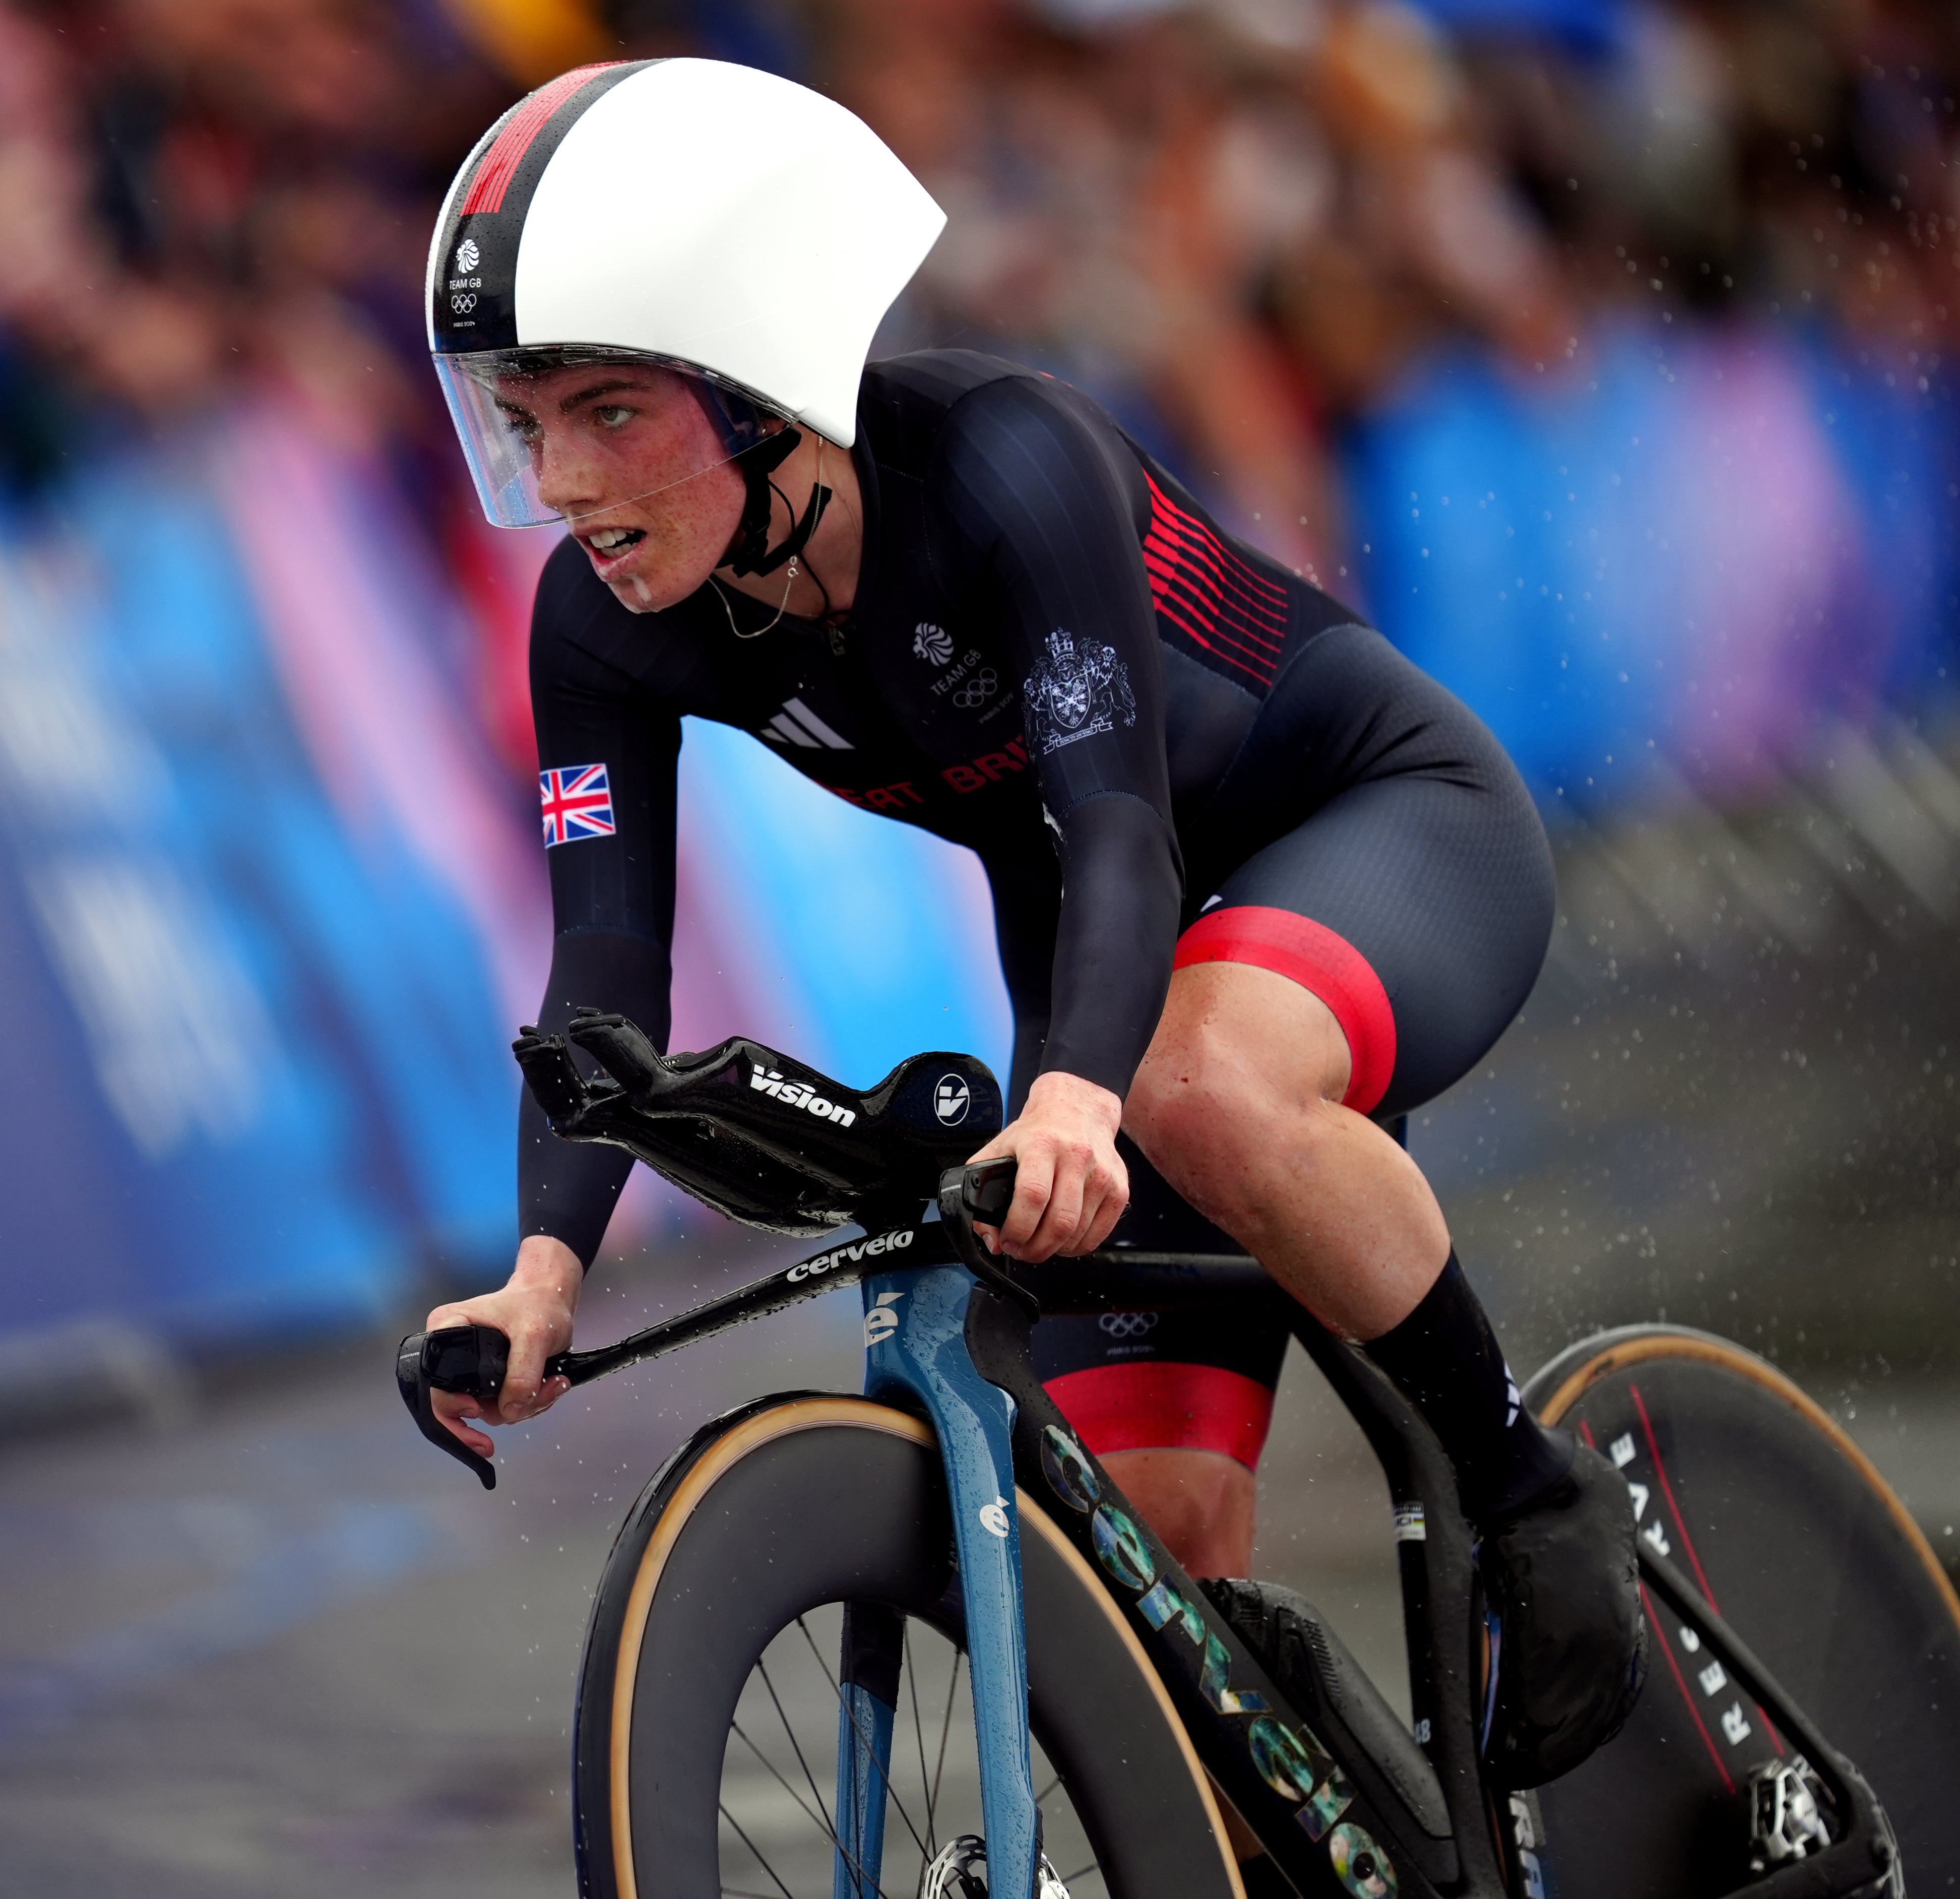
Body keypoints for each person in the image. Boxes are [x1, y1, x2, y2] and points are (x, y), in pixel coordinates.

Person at [418, 57, 1642, 1792]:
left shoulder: (1004, 457)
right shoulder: (603, 620)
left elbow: (1119, 821)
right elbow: (603, 971)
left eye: (611, 413)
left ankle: (1530, 1487)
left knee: (1191, 1084)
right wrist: (543, 1276)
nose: (561, 482)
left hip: (1373, 829)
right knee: (1155, 1565)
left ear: (764, 390)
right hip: (1112, 968)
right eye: (527, 424)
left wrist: (1074, 1093)